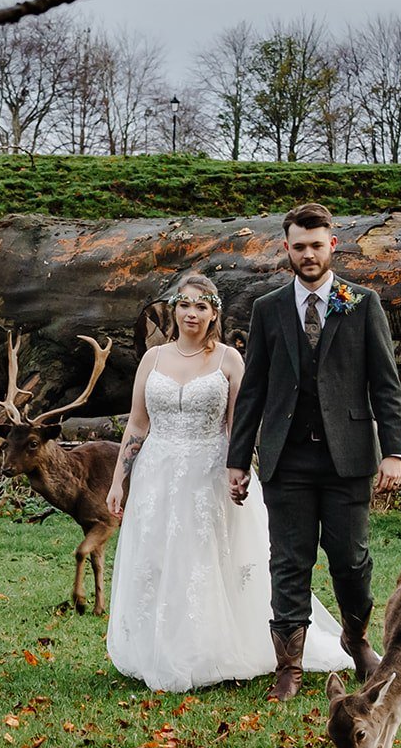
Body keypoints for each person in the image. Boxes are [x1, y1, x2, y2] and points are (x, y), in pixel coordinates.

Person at [104, 273, 354, 693]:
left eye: (201, 306)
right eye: (185, 304)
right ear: (174, 310)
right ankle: (158, 647)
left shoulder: (228, 360)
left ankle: (208, 650)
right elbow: (137, 424)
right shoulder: (153, 359)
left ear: (214, 313)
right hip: (156, 474)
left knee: (204, 560)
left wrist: (239, 469)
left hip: (209, 472)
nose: (192, 313)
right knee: (158, 559)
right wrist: (118, 481)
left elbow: (240, 426)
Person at [226, 202, 401, 702]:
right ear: (286, 249)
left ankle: (356, 638)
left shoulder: (362, 303)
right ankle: (289, 667)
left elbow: (386, 385)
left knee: (351, 560)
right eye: (299, 247)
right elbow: (253, 390)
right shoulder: (268, 309)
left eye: (316, 245)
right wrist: (237, 461)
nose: (308, 254)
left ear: (333, 245)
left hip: (347, 457)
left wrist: (394, 451)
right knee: (289, 561)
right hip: (286, 459)